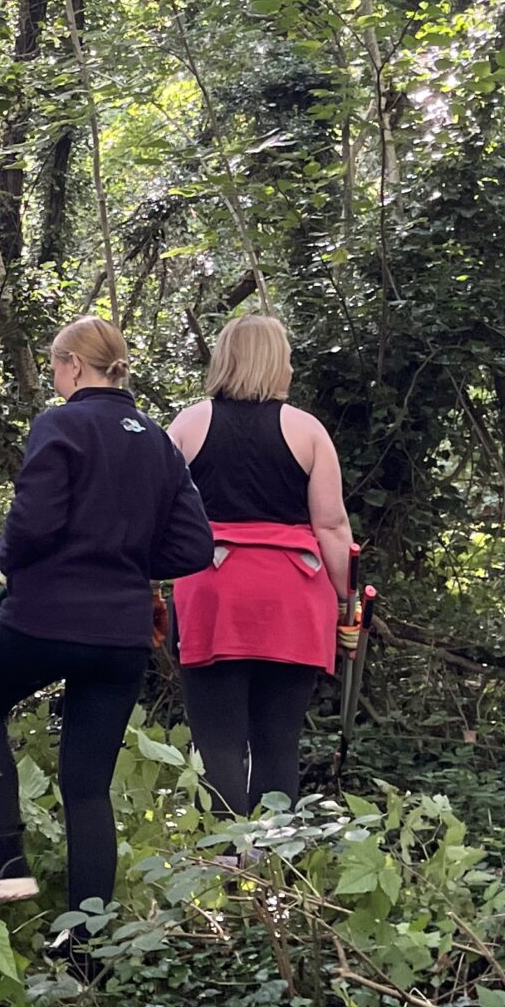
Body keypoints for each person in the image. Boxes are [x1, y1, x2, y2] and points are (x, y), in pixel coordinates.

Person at [0, 317, 215, 955]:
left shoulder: (61, 425)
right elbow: (194, 545)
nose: (54, 374)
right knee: (88, 787)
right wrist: (127, 563)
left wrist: (12, 559)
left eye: (55, 363)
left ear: (73, 363)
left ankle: (6, 856)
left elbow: (33, 524)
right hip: (122, 632)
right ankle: (87, 949)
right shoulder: (158, 442)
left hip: (46, 617)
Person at [164, 315, 354, 817]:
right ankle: (274, 853)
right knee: (277, 742)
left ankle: (225, 852)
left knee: (218, 741)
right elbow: (332, 525)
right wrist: (349, 600)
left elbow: (158, 515)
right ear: (274, 362)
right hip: (294, 592)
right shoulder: (308, 431)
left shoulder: (188, 425)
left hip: (212, 588)